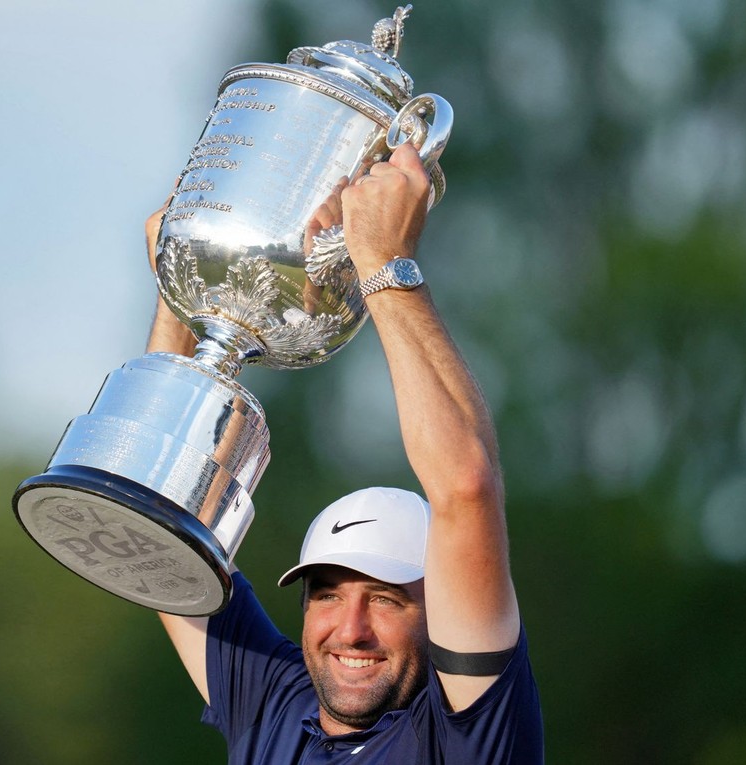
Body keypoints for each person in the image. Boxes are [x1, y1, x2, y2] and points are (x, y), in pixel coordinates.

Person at [146, 143, 544, 763]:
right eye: (326, 593)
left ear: (440, 611)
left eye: (386, 597)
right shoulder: (274, 703)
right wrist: (182, 289)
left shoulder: (467, 731)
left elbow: (467, 486)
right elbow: (152, 524)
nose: (350, 628)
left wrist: (383, 261)